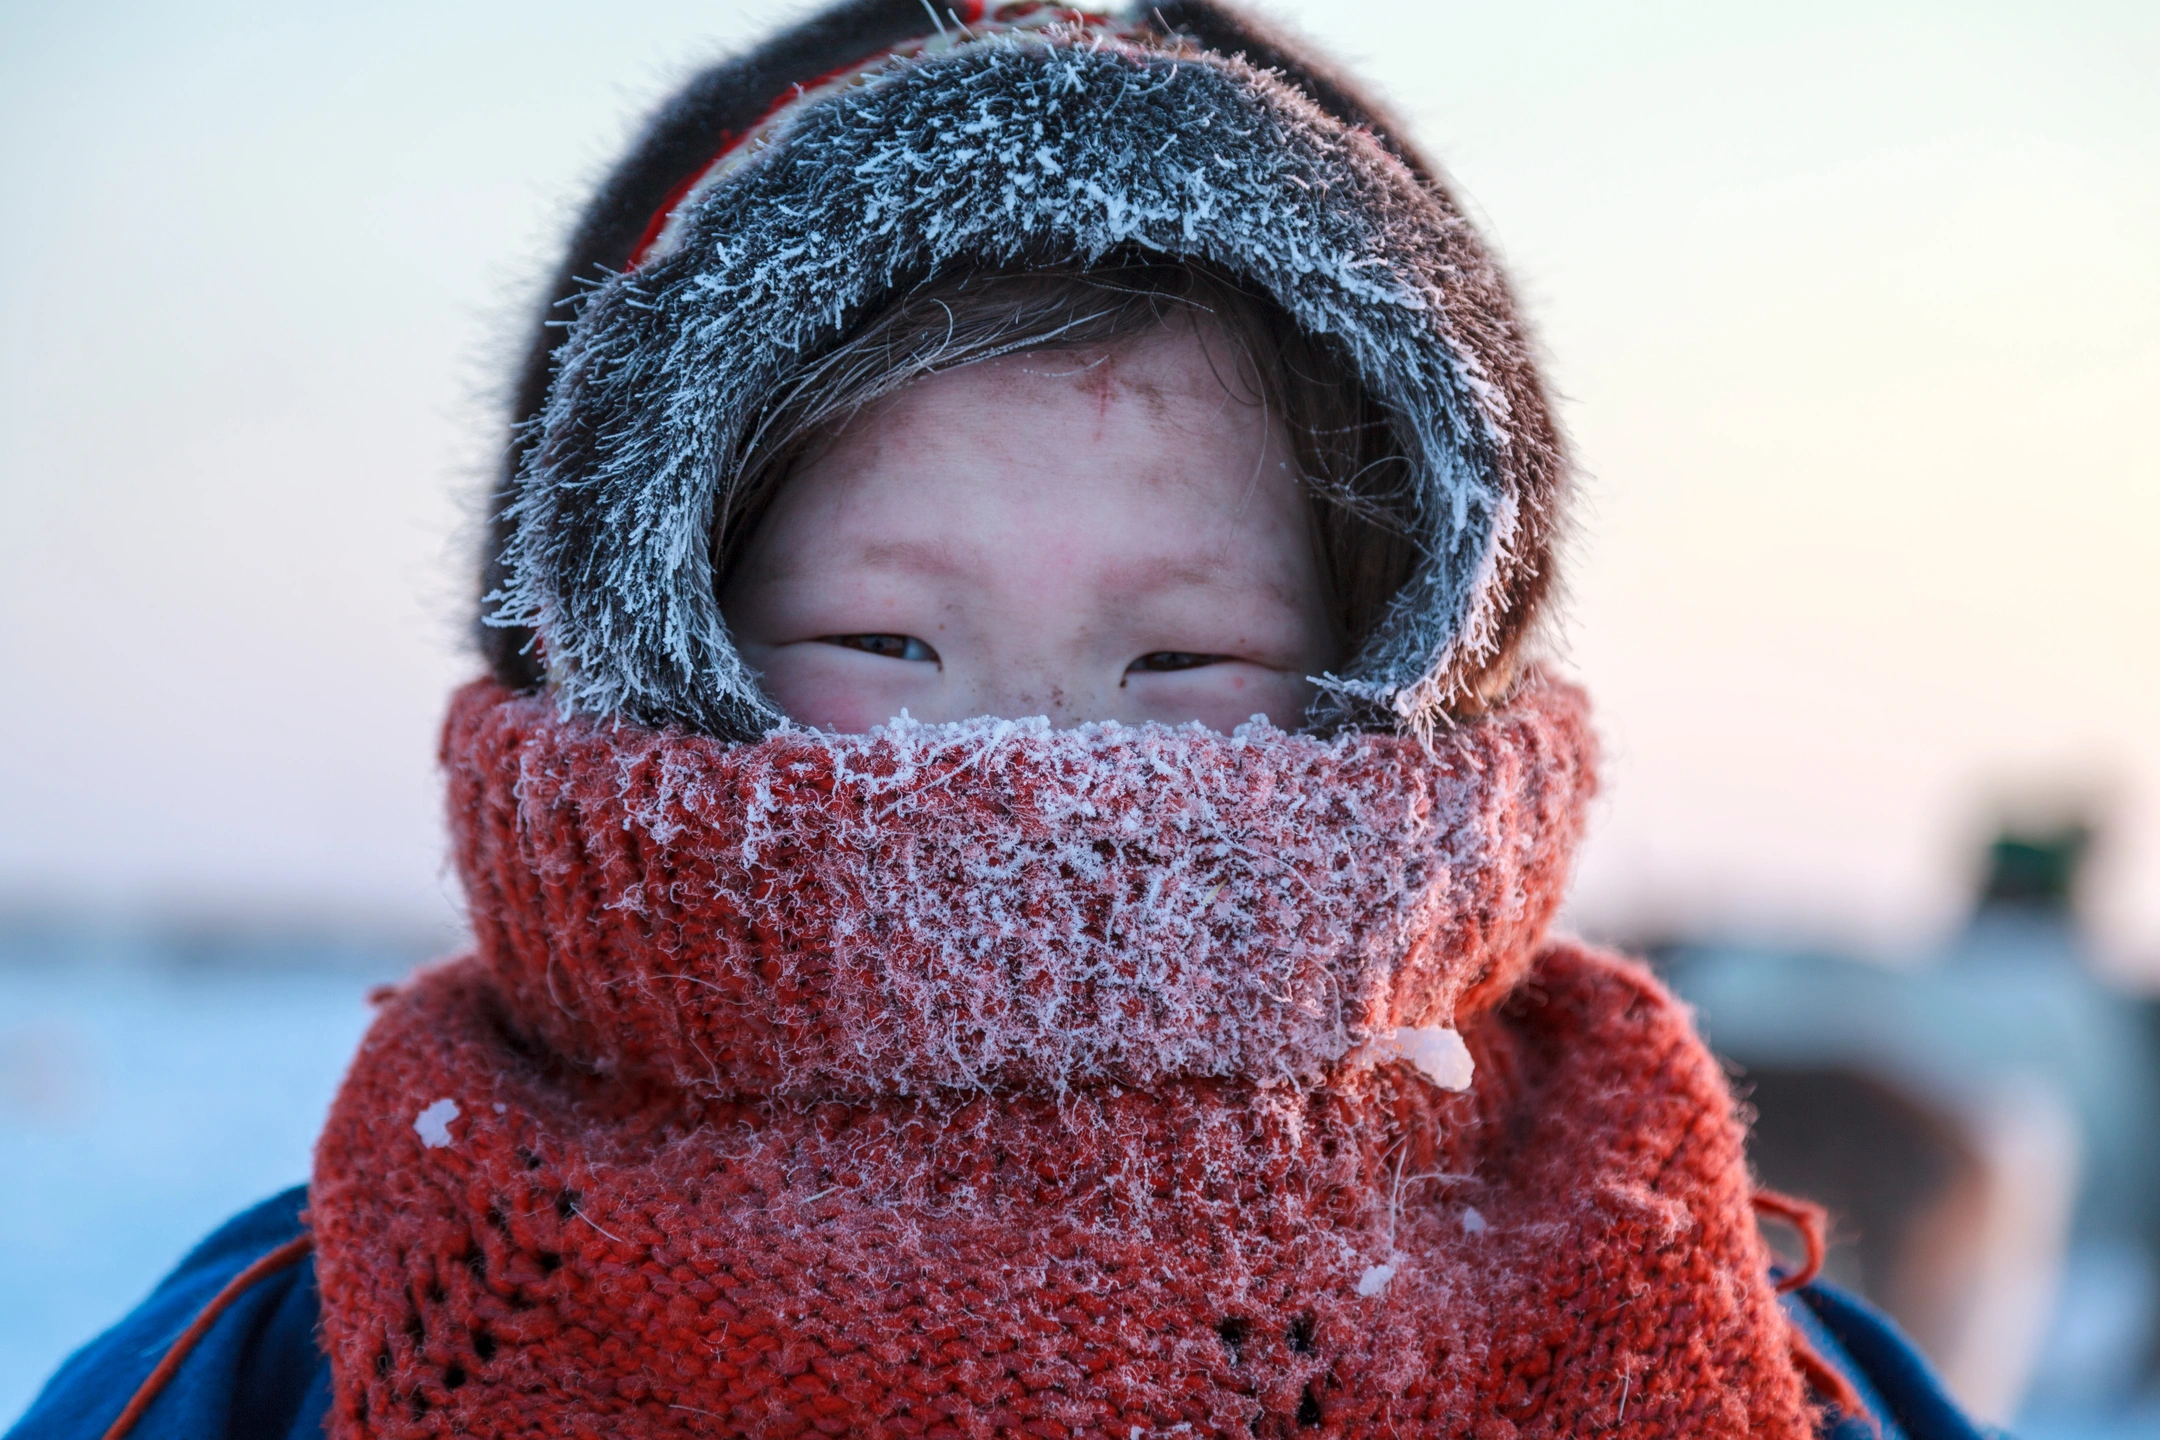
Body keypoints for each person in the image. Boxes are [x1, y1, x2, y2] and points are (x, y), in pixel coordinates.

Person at [8, 3, 1997, 1437]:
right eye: (881, 638)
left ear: (1404, 676)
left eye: (1180, 663)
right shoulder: (320, 1340)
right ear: (633, 651)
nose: (1030, 761)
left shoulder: (1707, 1330)